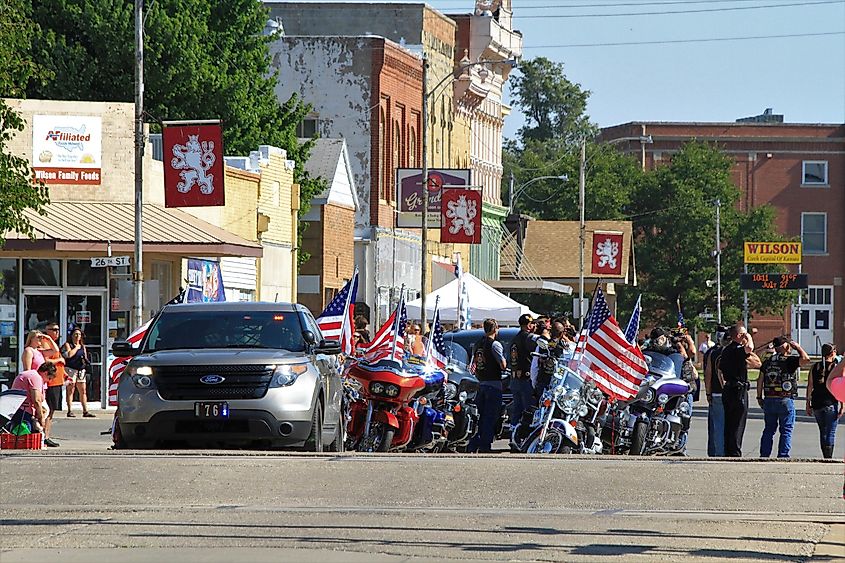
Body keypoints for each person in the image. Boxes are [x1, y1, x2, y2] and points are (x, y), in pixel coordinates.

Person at [756, 336, 810, 459]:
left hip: (769, 398)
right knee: (786, 430)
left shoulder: (768, 361)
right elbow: (806, 359)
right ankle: (783, 455)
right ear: (785, 346)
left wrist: (759, 397)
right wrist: (798, 347)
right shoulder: (789, 360)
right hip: (785, 399)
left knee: (769, 429)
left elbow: (760, 380)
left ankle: (764, 455)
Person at [718, 323, 762, 457]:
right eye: (743, 334)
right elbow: (749, 348)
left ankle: (728, 450)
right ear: (738, 336)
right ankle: (735, 452)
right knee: (738, 423)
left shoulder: (725, 350)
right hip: (738, 390)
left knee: (729, 422)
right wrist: (749, 337)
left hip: (728, 389)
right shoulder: (736, 349)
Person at [466, 318, 507, 453]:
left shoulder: (477, 344)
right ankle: (485, 445)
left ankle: (473, 444)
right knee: (490, 417)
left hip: (481, 384)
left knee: (479, 416)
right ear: (495, 329)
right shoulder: (495, 345)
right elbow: (502, 364)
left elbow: (474, 365)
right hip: (493, 385)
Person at [806, 343, 842, 459]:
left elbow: (810, 386)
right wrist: (843, 405)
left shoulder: (815, 367)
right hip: (830, 402)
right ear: (832, 353)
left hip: (817, 403)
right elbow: (841, 386)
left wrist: (808, 403)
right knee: (830, 432)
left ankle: (825, 455)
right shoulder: (836, 367)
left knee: (823, 431)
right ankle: (828, 457)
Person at [9, 363, 58, 446]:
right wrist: (41, 417)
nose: (48, 381)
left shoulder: (32, 374)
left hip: (17, 408)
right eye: (49, 378)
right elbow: (36, 400)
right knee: (29, 433)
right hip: (22, 410)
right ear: (45, 373)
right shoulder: (36, 377)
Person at [703, 327, 729, 457]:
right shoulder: (730, 351)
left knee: (715, 425)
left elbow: (707, 374)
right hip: (723, 393)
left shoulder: (711, 352)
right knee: (722, 425)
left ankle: (714, 452)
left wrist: (708, 392)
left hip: (715, 393)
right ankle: (720, 453)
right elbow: (708, 373)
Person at [509, 313, 537, 428]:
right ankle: (525, 435)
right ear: (529, 325)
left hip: (515, 378)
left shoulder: (514, 339)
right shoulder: (529, 338)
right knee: (528, 410)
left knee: (517, 409)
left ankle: (513, 431)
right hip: (526, 378)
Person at [42, 322, 66, 445]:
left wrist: (64, 374)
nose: (57, 332)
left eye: (58, 330)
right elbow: (45, 360)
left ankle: (46, 435)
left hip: (57, 380)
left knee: (52, 410)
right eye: (54, 330)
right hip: (51, 382)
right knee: (49, 410)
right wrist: (60, 360)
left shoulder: (53, 343)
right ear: (48, 330)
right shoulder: (46, 343)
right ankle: (44, 436)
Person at [63, 328, 96, 418]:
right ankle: (70, 410)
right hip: (71, 369)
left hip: (81, 370)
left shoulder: (82, 346)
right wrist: (76, 348)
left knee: (83, 391)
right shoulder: (68, 344)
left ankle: (85, 410)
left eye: (79, 334)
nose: (77, 336)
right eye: (75, 334)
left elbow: (85, 357)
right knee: (70, 390)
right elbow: (69, 355)